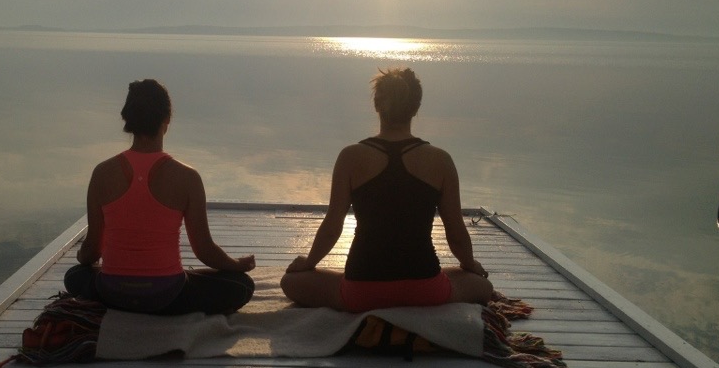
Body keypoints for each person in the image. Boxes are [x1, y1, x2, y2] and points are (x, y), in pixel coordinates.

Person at [281, 67, 493, 311]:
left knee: (291, 281)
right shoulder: (441, 160)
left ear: (377, 104)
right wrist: (470, 264)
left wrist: (310, 262)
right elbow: (455, 232)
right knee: (481, 285)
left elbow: (332, 227)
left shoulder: (350, 157)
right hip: (426, 290)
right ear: (416, 108)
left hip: (361, 292)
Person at [65, 79, 255, 315]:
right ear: (167, 120)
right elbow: (204, 250)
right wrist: (236, 265)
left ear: (127, 120)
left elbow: (92, 249)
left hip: (112, 294)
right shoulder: (188, 177)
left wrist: (82, 256)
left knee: (74, 276)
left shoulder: (102, 173)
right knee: (241, 286)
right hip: (167, 295)